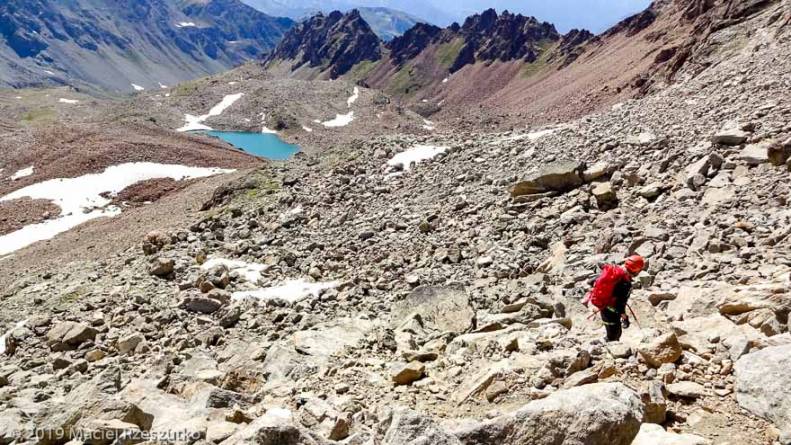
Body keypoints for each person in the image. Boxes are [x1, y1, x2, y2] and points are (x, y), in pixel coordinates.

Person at [585, 255, 645, 342]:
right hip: (612, 310)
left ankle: (606, 342)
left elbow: (592, 281)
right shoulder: (625, 283)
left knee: (609, 329)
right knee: (615, 333)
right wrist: (624, 317)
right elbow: (620, 303)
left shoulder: (613, 270)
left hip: (603, 306)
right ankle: (608, 348)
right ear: (636, 271)